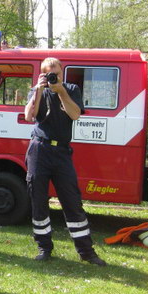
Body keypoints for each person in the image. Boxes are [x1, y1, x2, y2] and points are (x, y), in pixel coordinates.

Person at [24, 57, 106, 266]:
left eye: (56, 73)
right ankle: (44, 248)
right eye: (48, 74)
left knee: (71, 200)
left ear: (62, 72)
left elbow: (75, 115)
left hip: (61, 151)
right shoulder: (37, 90)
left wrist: (60, 91)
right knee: (38, 200)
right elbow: (29, 116)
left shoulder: (71, 89)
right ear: (42, 74)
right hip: (39, 149)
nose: (53, 77)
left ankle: (86, 252)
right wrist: (39, 90)